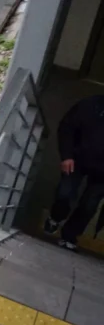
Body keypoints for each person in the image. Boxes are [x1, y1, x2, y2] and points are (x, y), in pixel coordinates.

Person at [43, 94, 104, 250]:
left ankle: (70, 235)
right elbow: (67, 127)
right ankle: (55, 218)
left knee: (89, 205)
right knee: (65, 193)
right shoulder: (90, 105)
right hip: (78, 159)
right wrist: (67, 156)